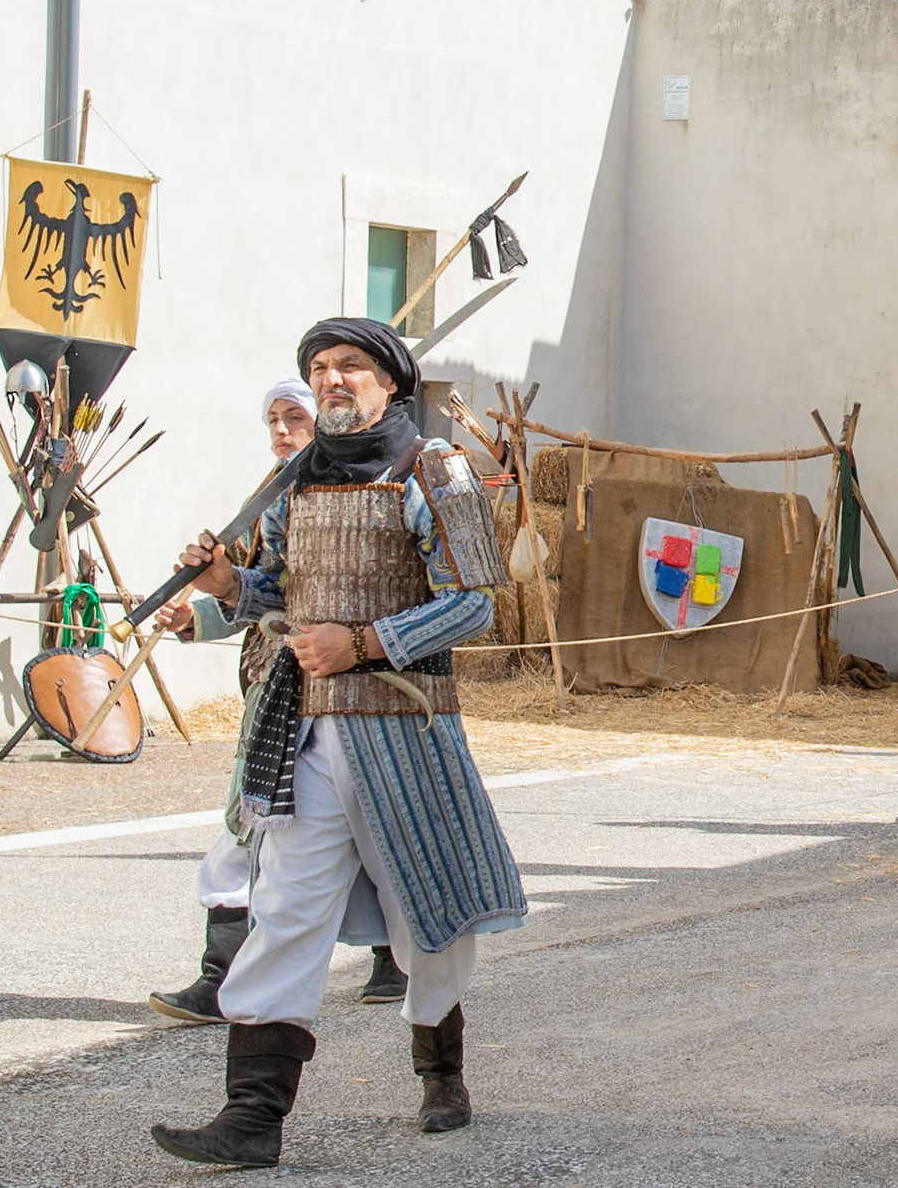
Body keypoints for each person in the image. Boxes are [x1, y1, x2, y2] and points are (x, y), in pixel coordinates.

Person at [150, 318, 527, 1168]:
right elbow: (276, 590)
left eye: (350, 365)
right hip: (308, 729)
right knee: (282, 912)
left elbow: (475, 603)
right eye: (319, 368)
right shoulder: (295, 482)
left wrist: (363, 644)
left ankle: (442, 1071)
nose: (332, 380)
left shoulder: (437, 473)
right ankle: (252, 1118)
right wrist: (224, 587)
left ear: (391, 381)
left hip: (404, 733)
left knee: (426, 923)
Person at [147, 381, 412, 1022]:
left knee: (372, 834)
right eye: (274, 419)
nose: (283, 429)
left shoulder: (389, 480)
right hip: (279, 686)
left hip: (364, 686)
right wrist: (200, 615)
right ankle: (229, 982)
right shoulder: (274, 500)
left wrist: (367, 642)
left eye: (296, 416)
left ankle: (402, 971)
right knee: (254, 828)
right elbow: (263, 593)